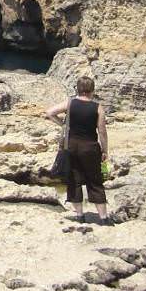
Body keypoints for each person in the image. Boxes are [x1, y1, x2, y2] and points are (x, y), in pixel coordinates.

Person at [45, 76, 111, 225]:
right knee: (95, 181)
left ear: (78, 89)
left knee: (74, 180)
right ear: (92, 90)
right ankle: (103, 218)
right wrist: (105, 150)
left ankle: (80, 216)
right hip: (90, 148)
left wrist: (62, 124)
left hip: (71, 147)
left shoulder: (70, 103)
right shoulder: (98, 107)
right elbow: (102, 131)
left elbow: (49, 112)